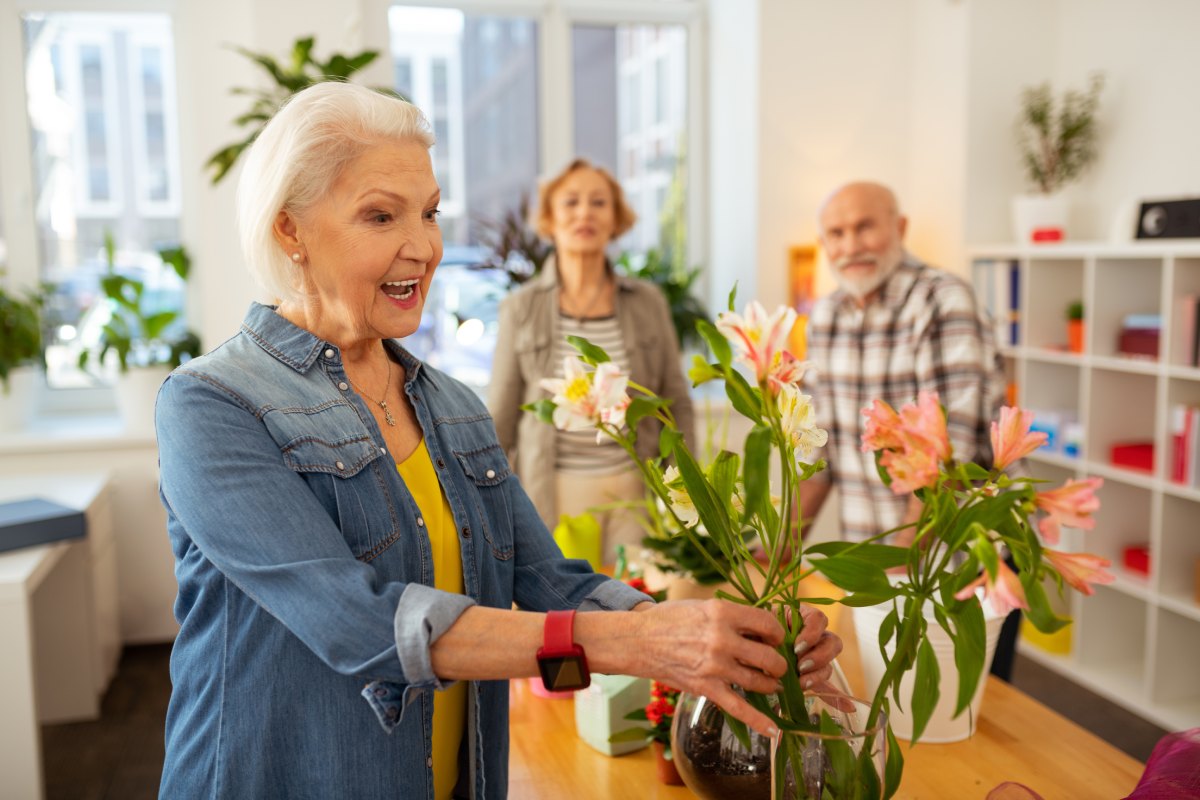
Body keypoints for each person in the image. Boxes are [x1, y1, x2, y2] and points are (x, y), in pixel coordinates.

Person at [154, 82, 840, 800]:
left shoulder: (450, 407)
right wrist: (630, 643)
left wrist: (705, 636)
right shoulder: (212, 402)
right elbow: (355, 624)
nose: (422, 247)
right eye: (380, 215)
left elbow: (550, 583)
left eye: (429, 213)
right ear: (289, 229)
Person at [797, 180, 1019, 680]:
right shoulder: (826, 316)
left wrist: (894, 570)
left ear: (899, 228)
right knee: (883, 706)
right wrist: (776, 551)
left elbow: (946, 460)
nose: (850, 245)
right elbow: (819, 454)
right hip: (884, 570)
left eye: (864, 227)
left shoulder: (942, 299)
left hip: (958, 563)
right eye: (835, 233)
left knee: (965, 728)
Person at [488, 158, 695, 563]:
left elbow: (676, 402)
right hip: (552, 490)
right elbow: (501, 419)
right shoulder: (521, 307)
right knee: (571, 609)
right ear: (550, 217)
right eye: (571, 202)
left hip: (636, 490)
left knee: (638, 605)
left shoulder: (648, 303)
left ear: (616, 218)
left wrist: (688, 492)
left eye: (599, 202)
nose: (585, 212)